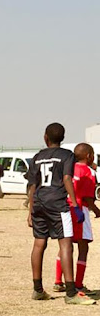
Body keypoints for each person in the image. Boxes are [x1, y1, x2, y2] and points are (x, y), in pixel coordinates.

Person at [27, 123, 94, 304]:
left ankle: (38, 289)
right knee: (66, 244)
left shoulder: (37, 157)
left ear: (45, 137)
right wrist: (75, 205)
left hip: (39, 203)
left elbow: (32, 185)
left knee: (39, 244)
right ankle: (71, 293)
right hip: (58, 203)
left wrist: (30, 209)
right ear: (62, 138)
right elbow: (66, 179)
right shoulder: (67, 156)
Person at [54, 143, 100, 294]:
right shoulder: (89, 172)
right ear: (89, 156)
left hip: (66, 209)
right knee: (83, 246)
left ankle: (58, 281)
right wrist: (97, 210)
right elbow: (87, 198)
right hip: (80, 210)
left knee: (65, 245)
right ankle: (78, 283)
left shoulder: (69, 168)